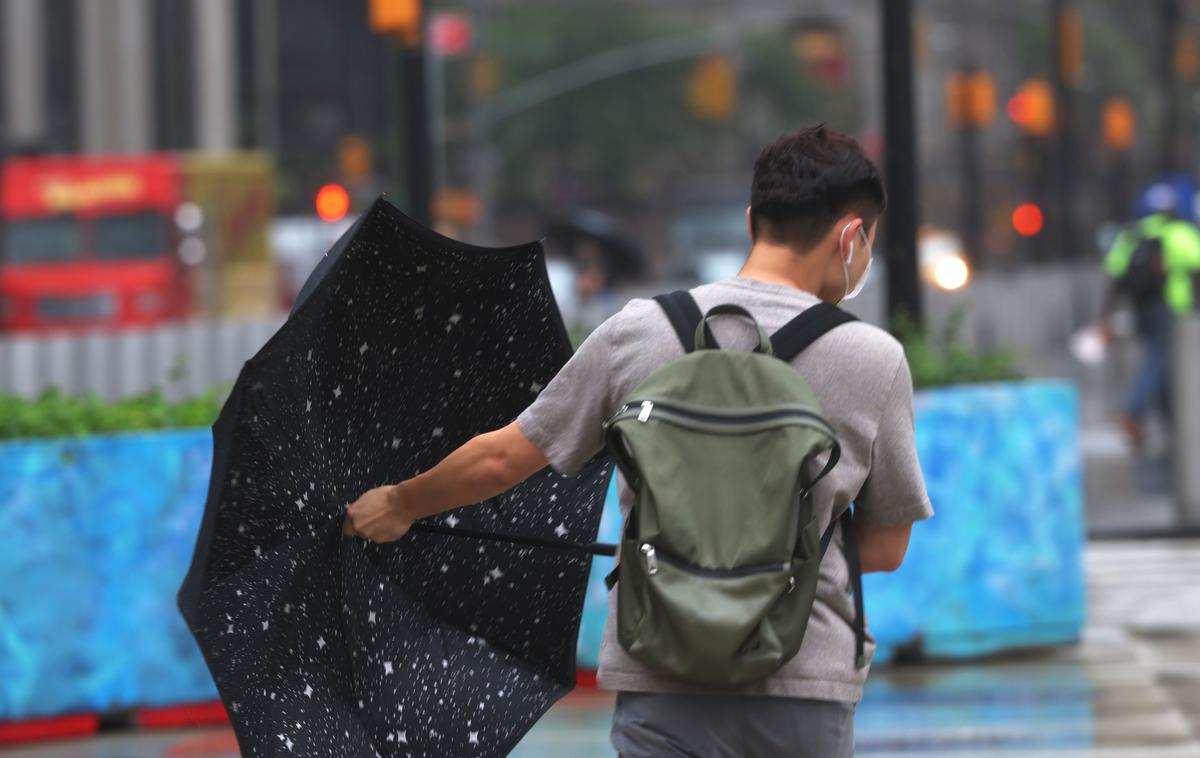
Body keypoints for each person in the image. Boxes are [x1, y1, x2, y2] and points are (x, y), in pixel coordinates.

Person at [345, 126, 933, 757]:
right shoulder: (874, 360)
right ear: (851, 236)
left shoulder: (640, 331)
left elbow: (502, 458)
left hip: (662, 675)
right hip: (802, 682)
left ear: (751, 221)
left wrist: (400, 504)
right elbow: (885, 546)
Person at [1101, 184, 1200, 449]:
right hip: (1170, 309)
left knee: (1164, 367)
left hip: (1139, 309)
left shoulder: (1132, 235)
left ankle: (1171, 424)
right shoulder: (1179, 233)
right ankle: (1133, 410)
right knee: (1159, 362)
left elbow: (1114, 275)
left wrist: (1105, 317)